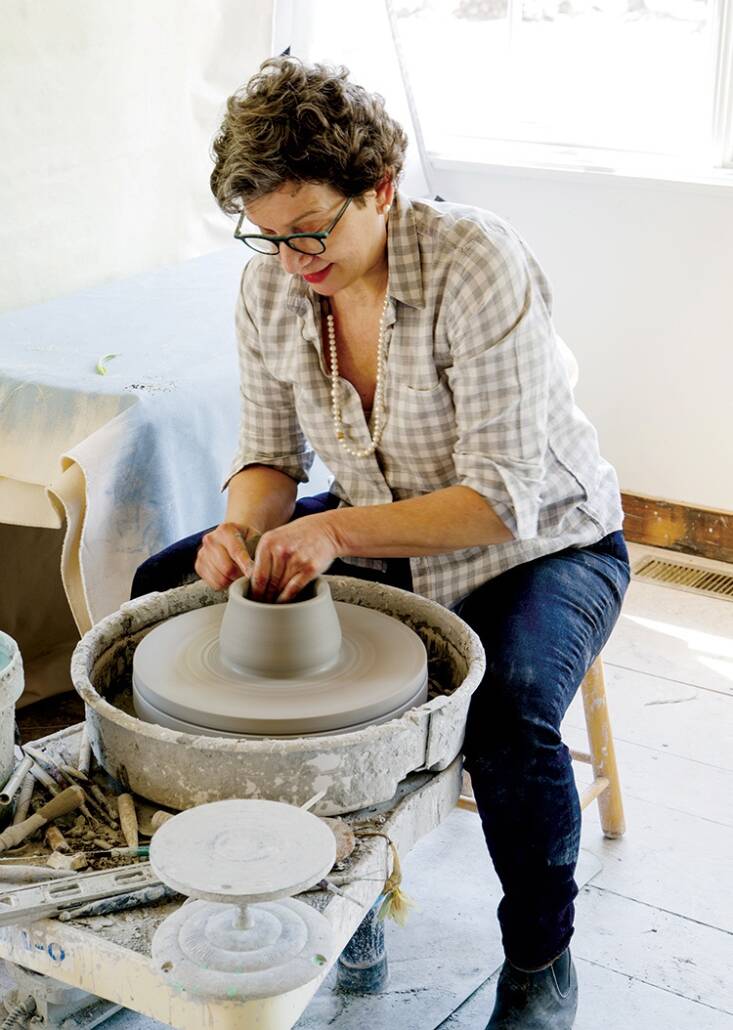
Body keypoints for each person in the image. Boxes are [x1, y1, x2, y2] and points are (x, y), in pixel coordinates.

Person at [131, 56, 630, 1029]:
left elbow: (497, 499)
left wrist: (326, 529)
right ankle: (328, 883)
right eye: (267, 235)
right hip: (384, 526)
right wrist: (241, 530)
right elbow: (269, 457)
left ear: (380, 187)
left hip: (544, 544)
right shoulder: (272, 286)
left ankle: (540, 959)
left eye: (310, 228)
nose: (290, 258)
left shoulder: (473, 261)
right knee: (168, 590)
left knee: (510, 708)